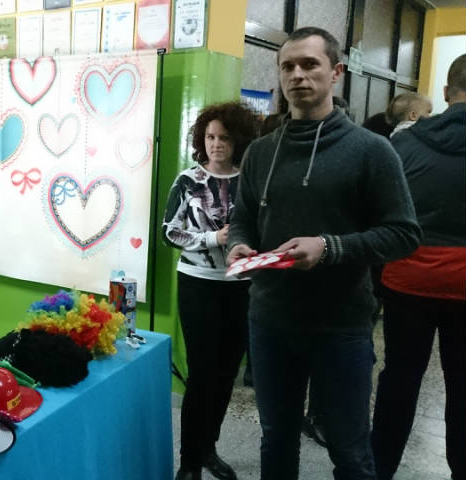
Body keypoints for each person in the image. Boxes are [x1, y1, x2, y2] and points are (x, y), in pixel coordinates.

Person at [227, 26, 421, 479]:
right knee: (276, 438)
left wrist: (330, 247)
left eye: (309, 64)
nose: (297, 75)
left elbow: (403, 234)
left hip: (341, 327)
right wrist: (238, 244)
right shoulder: (260, 152)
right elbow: (243, 218)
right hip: (270, 322)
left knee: (350, 450)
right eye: (288, 66)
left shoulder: (372, 151)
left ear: (336, 72)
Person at [371, 54, 466, 480]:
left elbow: (379, 210)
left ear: (445, 92)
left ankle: (379, 469)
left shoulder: (404, 143)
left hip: (406, 279)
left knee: (399, 379)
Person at [163, 102, 259, 480]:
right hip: (198, 284)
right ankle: (189, 462)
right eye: (210, 137)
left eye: (224, 138)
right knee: (202, 374)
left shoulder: (249, 180)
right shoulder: (188, 180)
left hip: (241, 286)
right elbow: (169, 231)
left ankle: (208, 448)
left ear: (239, 141)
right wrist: (212, 238)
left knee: (227, 373)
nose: (216, 144)